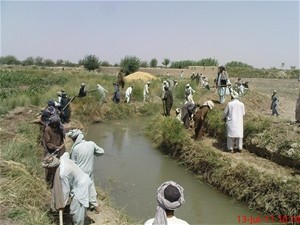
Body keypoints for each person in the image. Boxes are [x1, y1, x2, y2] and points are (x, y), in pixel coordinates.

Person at [42, 152, 93, 225]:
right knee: (79, 209)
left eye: (48, 169)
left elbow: (66, 191)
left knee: (77, 211)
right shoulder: (62, 159)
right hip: (83, 179)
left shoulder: (62, 173)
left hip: (82, 186)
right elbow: (66, 153)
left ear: (52, 167)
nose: (48, 170)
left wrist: (62, 205)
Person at [67, 129, 105, 214]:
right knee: (91, 187)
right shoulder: (91, 144)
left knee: (76, 189)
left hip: (80, 172)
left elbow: (73, 163)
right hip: (89, 170)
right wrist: (94, 152)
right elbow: (101, 152)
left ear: (75, 139)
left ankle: (79, 207)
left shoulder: (76, 148)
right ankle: (96, 206)